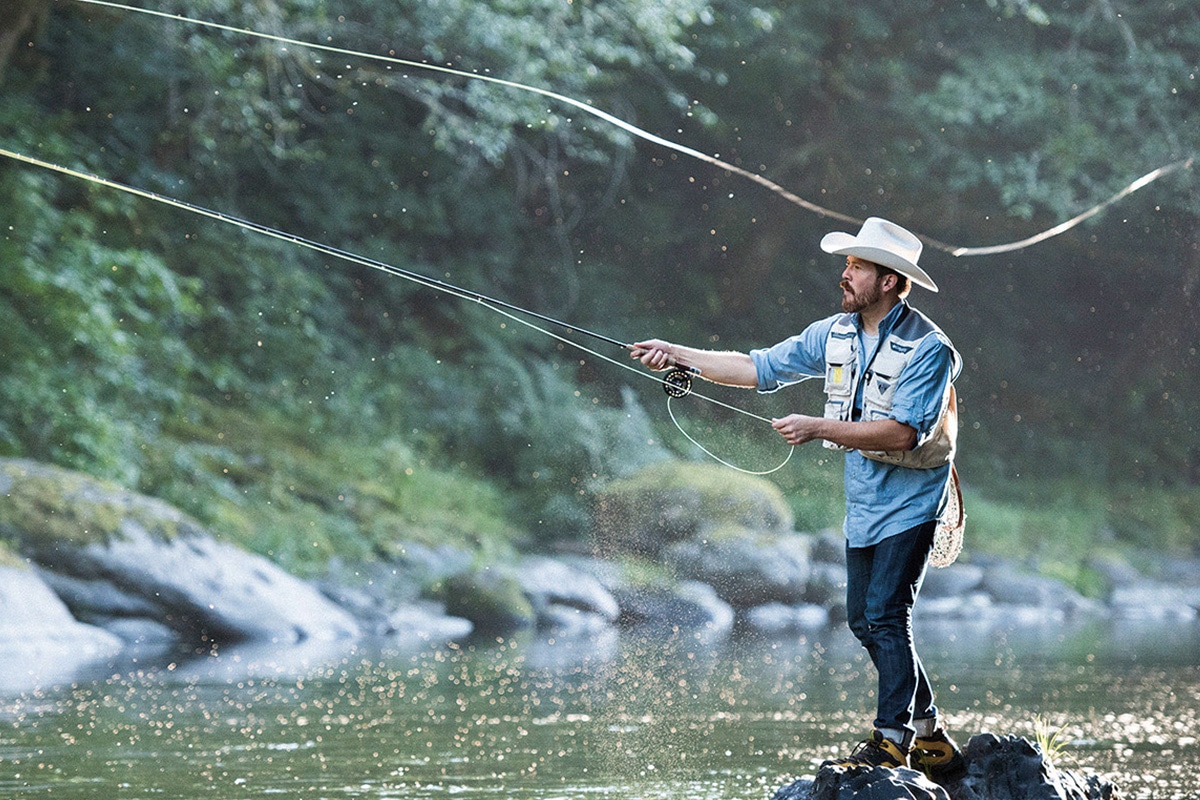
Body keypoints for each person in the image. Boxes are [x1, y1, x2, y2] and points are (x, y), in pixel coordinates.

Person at [630, 216, 967, 781]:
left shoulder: (929, 350)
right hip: (864, 499)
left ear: (888, 281)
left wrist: (818, 426)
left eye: (857, 266)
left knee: (887, 614)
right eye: (848, 263)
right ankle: (930, 734)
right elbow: (759, 366)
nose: (846, 273)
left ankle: (891, 742)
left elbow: (904, 433)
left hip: (914, 501)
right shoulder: (833, 332)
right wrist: (679, 355)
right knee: (864, 620)